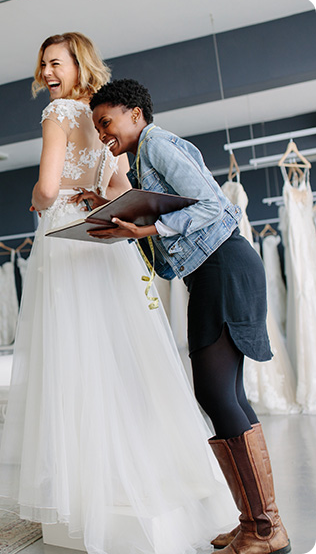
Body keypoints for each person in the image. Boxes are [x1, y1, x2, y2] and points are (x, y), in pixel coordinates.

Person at [0, 34, 238, 554]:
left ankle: (87, 489)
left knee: (72, 357)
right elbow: (118, 191)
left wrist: (39, 199)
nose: (47, 71)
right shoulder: (104, 120)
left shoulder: (59, 113)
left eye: (54, 62)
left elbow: (45, 184)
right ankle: (142, 476)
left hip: (65, 235)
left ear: (76, 63)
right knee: (122, 355)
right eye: (43, 64)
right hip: (107, 236)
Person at [87, 78, 291, 554]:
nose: (102, 134)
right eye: (98, 127)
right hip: (213, 271)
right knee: (226, 394)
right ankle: (254, 524)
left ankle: (266, 528)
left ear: (135, 114)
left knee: (216, 392)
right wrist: (120, 221)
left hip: (224, 265)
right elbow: (163, 240)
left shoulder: (158, 144)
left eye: (107, 122)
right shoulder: (140, 160)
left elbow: (213, 205)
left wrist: (149, 226)